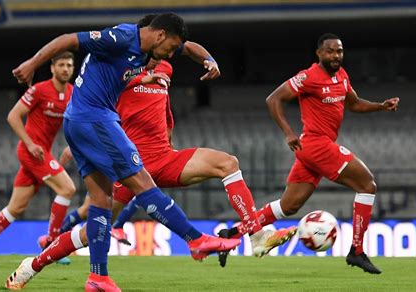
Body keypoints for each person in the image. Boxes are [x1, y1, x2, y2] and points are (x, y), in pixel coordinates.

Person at [7, 13, 240, 291]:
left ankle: (90, 276)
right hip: (94, 118)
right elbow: (69, 39)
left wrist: (208, 60)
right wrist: (33, 63)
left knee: (101, 203)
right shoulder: (119, 38)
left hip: (81, 121)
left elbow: (188, 47)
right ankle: (195, 239)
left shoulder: (153, 47)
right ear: (160, 35)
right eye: (168, 48)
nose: (169, 55)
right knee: (143, 182)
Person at [60, 59, 296, 257]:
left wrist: (169, 130)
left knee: (228, 163)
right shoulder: (122, 68)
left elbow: (164, 106)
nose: (169, 51)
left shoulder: (165, 67)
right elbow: (96, 103)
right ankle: (38, 261)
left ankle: (256, 235)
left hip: (163, 157)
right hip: (130, 164)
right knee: (96, 226)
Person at [218, 33, 399, 273]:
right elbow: (273, 99)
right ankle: (356, 251)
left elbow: (354, 104)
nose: (335, 56)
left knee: (288, 206)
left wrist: (380, 106)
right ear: (319, 53)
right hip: (316, 145)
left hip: (312, 151)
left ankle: (231, 234)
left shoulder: (342, 76)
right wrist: (288, 132)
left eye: (339, 51)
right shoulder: (309, 76)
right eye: (330, 51)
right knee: (367, 186)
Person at [0, 51, 77, 268]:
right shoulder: (39, 90)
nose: (65, 69)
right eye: (61, 65)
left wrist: (72, 145)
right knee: (67, 189)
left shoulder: (73, 93)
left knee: (16, 207)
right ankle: (51, 243)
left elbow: (77, 122)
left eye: (69, 65)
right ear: (52, 68)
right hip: (31, 152)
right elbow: (13, 116)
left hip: (44, 153)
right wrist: (30, 143)